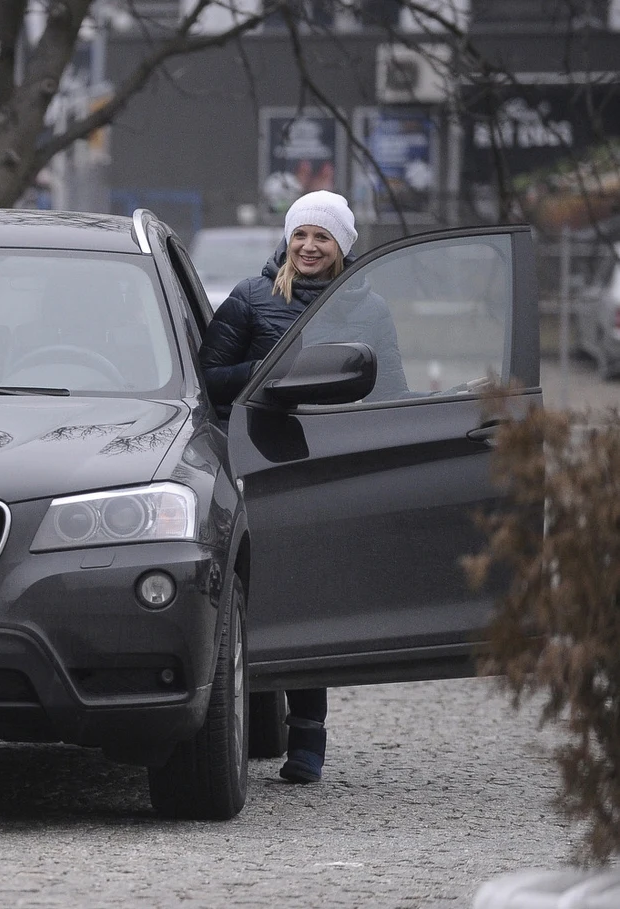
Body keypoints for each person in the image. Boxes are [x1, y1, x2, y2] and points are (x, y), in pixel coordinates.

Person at [197, 189, 401, 784]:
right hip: (264, 460)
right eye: (301, 235)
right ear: (286, 239)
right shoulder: (252, 298)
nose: (309, 247)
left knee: (313, 593)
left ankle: (307, 737)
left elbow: (390, 385)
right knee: (265, 591)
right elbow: (210, 381)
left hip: (332, 459)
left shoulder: (370, 308)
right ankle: (255, 712)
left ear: (343, 246)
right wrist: (275, 373)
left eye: (323, 237)